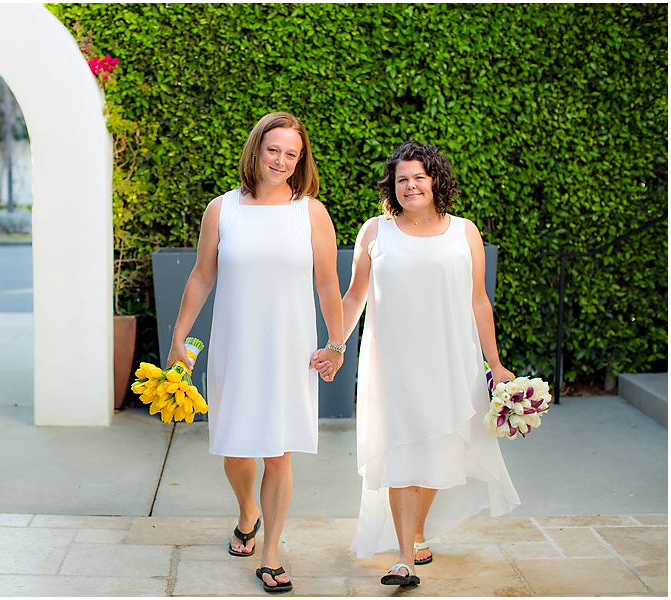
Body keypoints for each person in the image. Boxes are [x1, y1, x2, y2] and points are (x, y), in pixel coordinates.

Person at [166, 112, 345, 594]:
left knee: (280, 453)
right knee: (236, 447)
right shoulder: (222, 210)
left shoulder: (311, 212)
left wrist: (336, 342)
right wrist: (179, 335)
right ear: (256, 149)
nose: (282, 161)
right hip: (235, 346)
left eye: (292, 153)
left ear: (301, 159)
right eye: (274, 150)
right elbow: (202, 276)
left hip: (290, 350)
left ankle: (271, 553)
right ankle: (248, 511)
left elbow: (328, 283)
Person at [328, 140, 520, 587]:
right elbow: (355, 295)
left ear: (436, 181)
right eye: (402, 180)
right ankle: (402, 558)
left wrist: (494, 363)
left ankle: (415, 531)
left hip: (450, 359)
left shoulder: (464, 231)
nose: (411, 186)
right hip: (392, 362)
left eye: (419, 177)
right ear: (391, 188)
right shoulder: (374, 231)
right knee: (401, 452)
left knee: (437, 448)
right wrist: (336, 346)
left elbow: (478, 301)